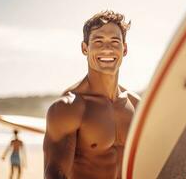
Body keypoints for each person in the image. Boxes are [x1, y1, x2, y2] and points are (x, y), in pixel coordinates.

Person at [43, 10, 140, 179]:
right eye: (98, 41)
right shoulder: (69, 108)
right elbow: (55, 174)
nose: (107, 49)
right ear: (85, 48)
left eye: (115, 41)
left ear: (124, 49)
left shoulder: (136, 105)